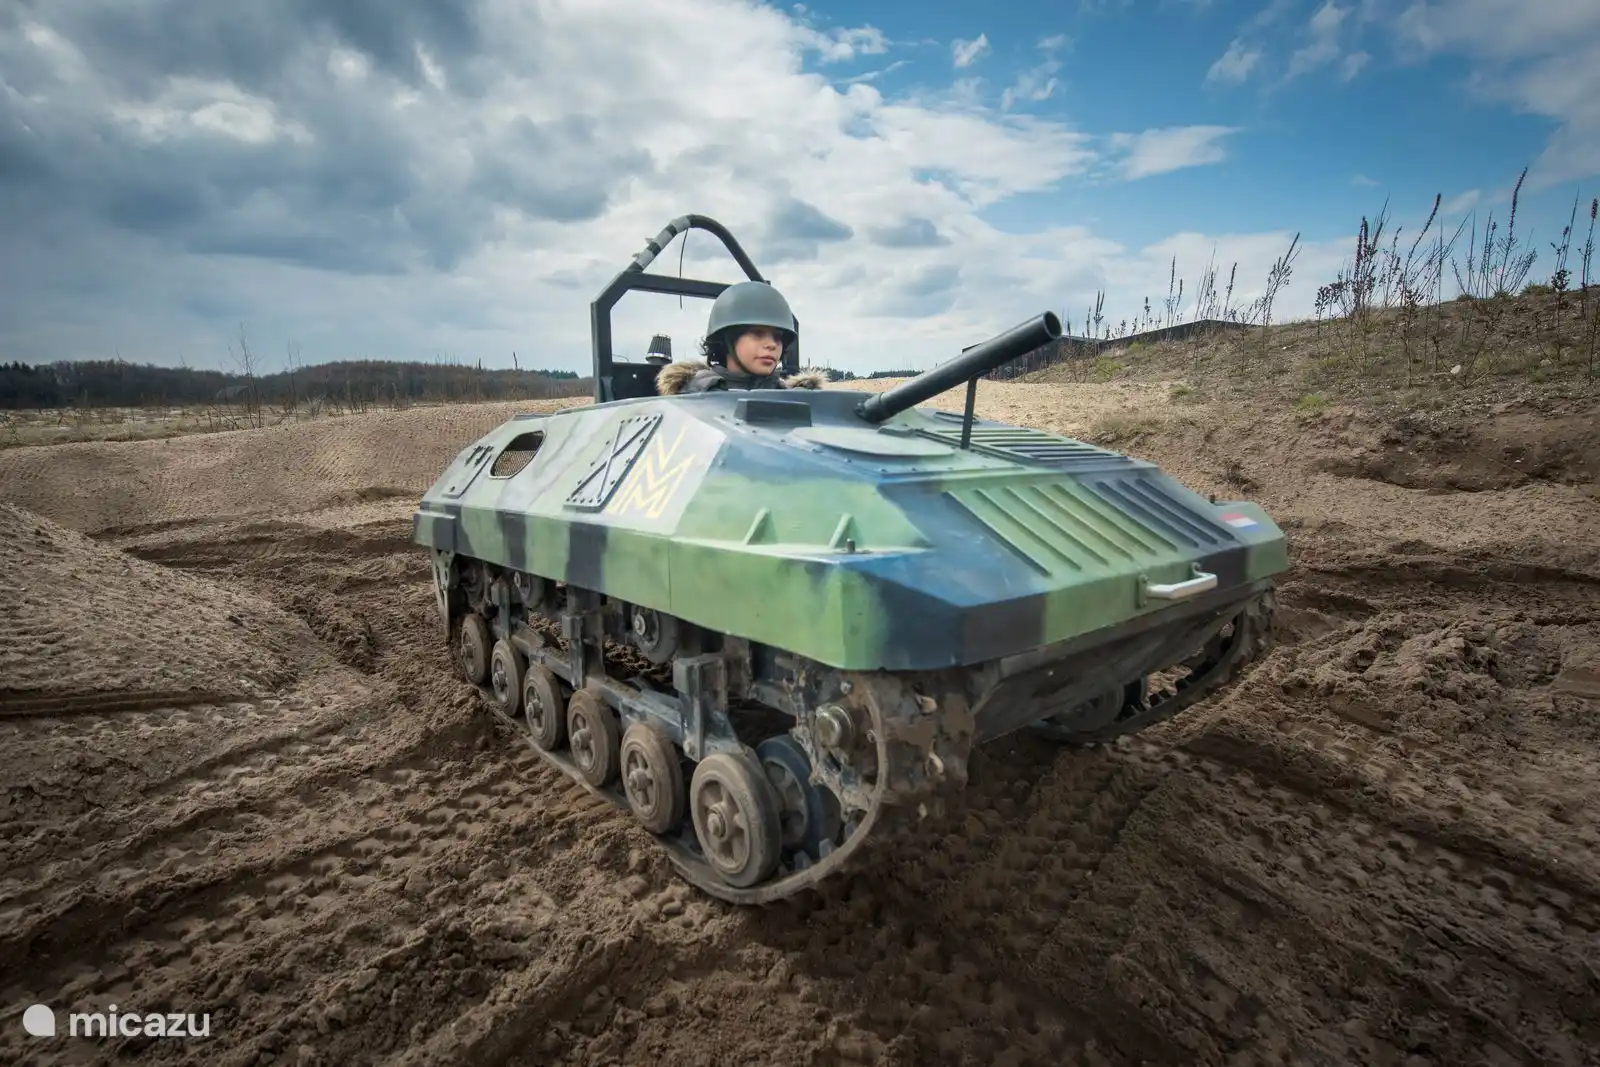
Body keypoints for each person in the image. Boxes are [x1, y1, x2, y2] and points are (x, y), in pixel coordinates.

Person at [656, 281, 824, 394]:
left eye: (778, 337)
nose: (772, 345)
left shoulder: (791, 396)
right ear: (727, 339)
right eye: (757, 333)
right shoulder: (697, 394)